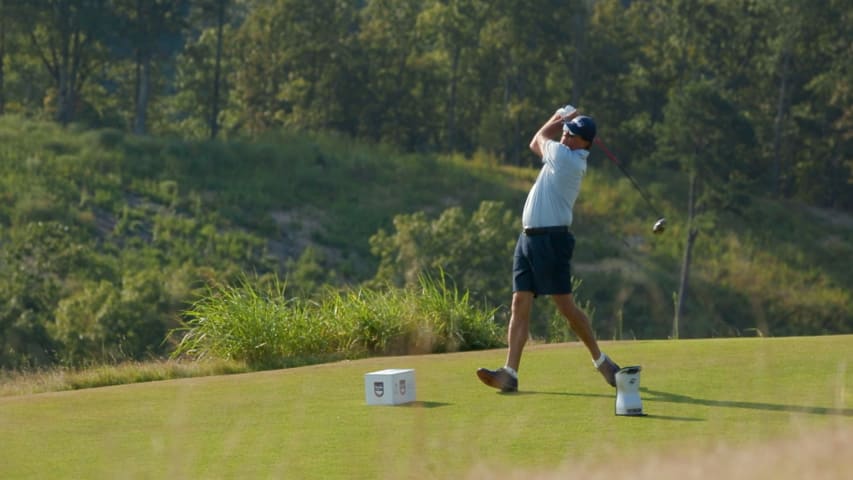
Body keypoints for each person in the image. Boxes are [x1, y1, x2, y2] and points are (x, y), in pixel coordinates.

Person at [476, 105, 620, 393]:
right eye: (566, 133)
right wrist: (562, 122)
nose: (566, 138)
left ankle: (602, 361)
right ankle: (510, 373)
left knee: (566, 308)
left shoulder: (568, 160)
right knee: (519, 302)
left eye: (573, 135)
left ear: (585, 144)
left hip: (552, 241)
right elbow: (536, 142)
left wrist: (557, 119)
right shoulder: (562, 154)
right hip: (528, 239)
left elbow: (539, 137)